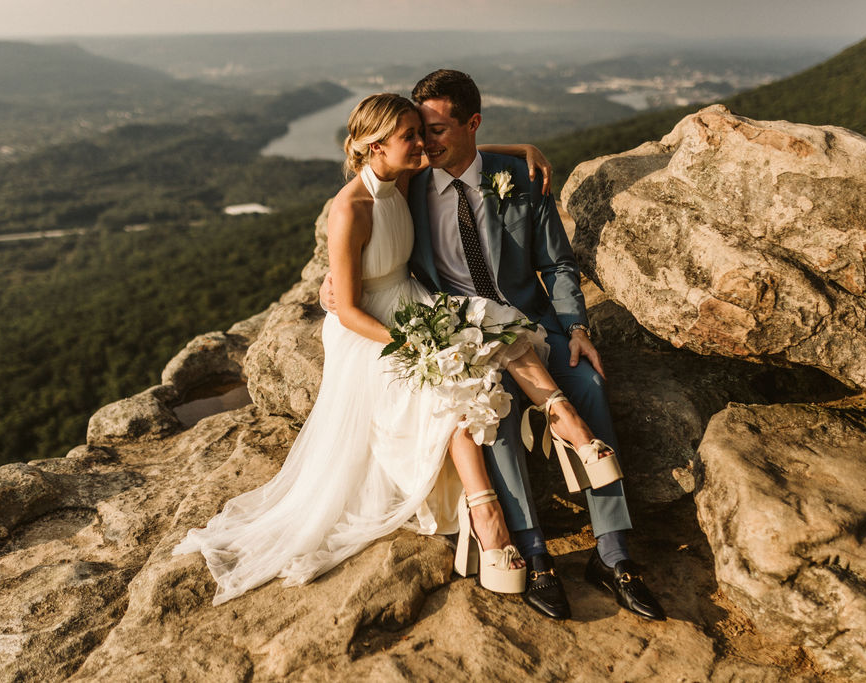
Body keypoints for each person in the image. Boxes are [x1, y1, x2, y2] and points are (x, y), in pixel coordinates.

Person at [173, 93, 608, 605]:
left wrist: (524, 147)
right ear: (377, 147)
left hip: (413, 300)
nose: (423, 144)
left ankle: (566, 423)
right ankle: (486, 517)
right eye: (411, 137)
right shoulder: (349, 208)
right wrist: (414, 343)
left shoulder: (402, 175)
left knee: (495, 326)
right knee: (449, 389)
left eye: (423, 134)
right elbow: (350, 308)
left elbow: (462, 151)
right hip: (371, 330)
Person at [404, 69, 666, 621]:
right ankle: (534, 552)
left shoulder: (519, 176)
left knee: (590, 383)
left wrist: (576, 327)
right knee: (491, 414)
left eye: (437, 129)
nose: (425, 142)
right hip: (467, 334)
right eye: (420, 130)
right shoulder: (409, 184)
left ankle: (614, 553)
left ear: (473, 124)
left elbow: (557, 262)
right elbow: (362, 195)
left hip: (536, 327)